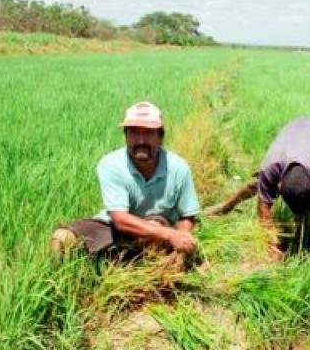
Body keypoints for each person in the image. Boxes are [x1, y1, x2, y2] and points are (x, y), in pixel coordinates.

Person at [50, 101, 200, 259]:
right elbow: (120, 219)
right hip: (118, 229)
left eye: (148, 132)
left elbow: (187, 216)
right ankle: (69, 281)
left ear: (160, 137)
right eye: (134, 132)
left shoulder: (178, 168)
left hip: (161, 229)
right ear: (126, 136)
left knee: (157, 231)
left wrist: (181, 240)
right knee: (61, 239)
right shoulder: (111, 164)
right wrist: (169, 234)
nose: (141, 140)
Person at [206, 118, 310, 256]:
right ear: (279, 185)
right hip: (292, 130)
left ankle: (301, 230)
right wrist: (275, 245)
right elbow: (263, 207)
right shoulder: (271, 166)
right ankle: (225, 207)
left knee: (308, 210)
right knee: (259, 183)